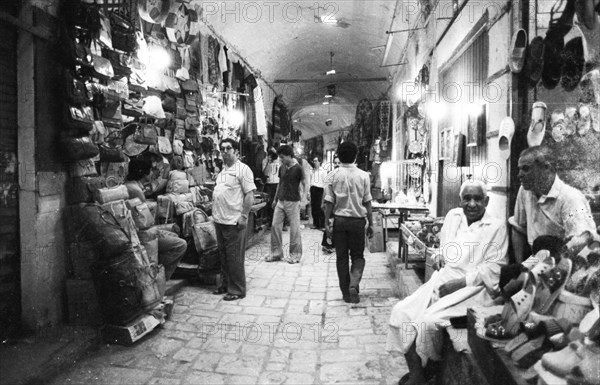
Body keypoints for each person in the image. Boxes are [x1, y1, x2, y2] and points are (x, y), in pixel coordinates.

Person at [386, 180, 508, 385]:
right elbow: (443, 248)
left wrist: (460, 283)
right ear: (460, 200)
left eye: (478, 199)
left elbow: (495, 268)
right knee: (401, 312)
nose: (472, 204)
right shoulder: (453, 216)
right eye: (467, 198)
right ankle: (417, 374)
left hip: (472, 289)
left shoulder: (496, 227)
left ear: (486, 201)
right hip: (441, 280)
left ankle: (430, 369)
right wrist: (439, 257)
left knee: (428, 322)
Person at [510, 146, 597, 263]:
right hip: (537, 258)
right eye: (519, 169)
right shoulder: (525, 190)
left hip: (565, 260)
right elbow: (518, 228)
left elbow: (582, 241)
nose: (519, 175)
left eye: (526, 169)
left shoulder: (571, 198)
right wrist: (520, 266)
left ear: (546, 168)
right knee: (509, 274)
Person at [323, 142, 373, 304]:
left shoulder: (332, 175)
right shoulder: (364, 175)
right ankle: (354, 283)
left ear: (339, 155)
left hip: (340, 221)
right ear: (355, 155)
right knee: (358, 256)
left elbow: (329, 203)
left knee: (341, 258)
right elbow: (367, 202)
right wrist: (371, 223)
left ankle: (346, 292)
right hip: (358, 222)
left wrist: (326, 224)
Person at [125, 155, 187, 281]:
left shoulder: (132, 186)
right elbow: (143, 221)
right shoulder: (135, 190)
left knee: (174, 235)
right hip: (142, 236)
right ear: (143, 172)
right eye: (151, 169)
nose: (153, 172)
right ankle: (159, 278)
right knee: (180, 245)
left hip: (143, 232)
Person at [211, 138, 256, 301]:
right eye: (222, 148)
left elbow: (249, 195)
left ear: (236, 151)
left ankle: (237, 289)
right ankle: (225, 284)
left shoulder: (243, 170)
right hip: (220, 220)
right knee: (223, 256)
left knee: (234, 257)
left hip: (233, 221)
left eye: (228, 148)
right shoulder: (222, 171)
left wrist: (244, 216)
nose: (224, 151)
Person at [268, 144, 306, 264]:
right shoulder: (282, 167)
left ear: (290, 156)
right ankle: (276, 253)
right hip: (280, 201)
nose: (281, 159)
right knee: (275, 226)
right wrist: (275, 199)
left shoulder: (298, 168)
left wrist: (304, 200)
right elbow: (280, 183)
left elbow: (305, 184)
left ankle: (295, 255)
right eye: (280, 157)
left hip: (293, 202)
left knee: (294, 229)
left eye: (282, 157)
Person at [321, 155, 340, 253]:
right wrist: (322, 202)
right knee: (329, 223)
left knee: (334, 225)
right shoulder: (330, 175)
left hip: (339, 205)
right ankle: (328, 245)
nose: (337, 165)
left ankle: (334, 245)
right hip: (330, 203)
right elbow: (325, 190)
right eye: (335, 163)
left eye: (339, 163)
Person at [262, 148, 280, 227]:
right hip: (269, 184)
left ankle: (279, 222)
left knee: (277, 203)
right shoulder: (265, 161)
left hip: (277, 183)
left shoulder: (279, 161)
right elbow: (265, 173)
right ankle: (270, 221)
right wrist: (268, 162)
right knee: (269, 203)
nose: (272, 157)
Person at [310, 155, 327, 230]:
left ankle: (322, 224)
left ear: (319, 162)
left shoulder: (323, 171)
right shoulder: (311, 171)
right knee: (313, 207)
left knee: (320, 207)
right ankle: (315, 223)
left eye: (316, 161)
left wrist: (325, 192)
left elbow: (325, 182)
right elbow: (309, 181)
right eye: (314, 161)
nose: (315, 162)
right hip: (313, 189)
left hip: (320, 189)